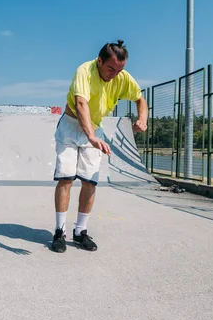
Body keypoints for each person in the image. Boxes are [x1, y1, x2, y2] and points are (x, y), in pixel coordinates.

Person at [52, 40, 148, 253]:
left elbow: (140, 99)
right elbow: (81, 104)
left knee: (89, 182)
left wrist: (143, 119)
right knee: (66, 178)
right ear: (99, 61)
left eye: (119, 69)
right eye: (110, 68)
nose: (114, 74)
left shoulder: (122, 78)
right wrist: (92, 137)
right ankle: (59, 231)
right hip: (70, 125)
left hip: (94, 128)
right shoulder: (85, 71)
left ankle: (80, 232)